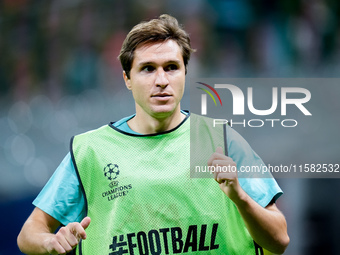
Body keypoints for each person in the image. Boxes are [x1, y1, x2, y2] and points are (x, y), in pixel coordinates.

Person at [17, 14, 289, 255]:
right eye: (148, 68)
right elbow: (29, 234)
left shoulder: (218, 139)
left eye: (171, 67)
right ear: (127, 78)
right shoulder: (92, 151)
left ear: (184, 73)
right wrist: (52, 243)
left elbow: (280, 240)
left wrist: (240, 197)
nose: (161, 80)